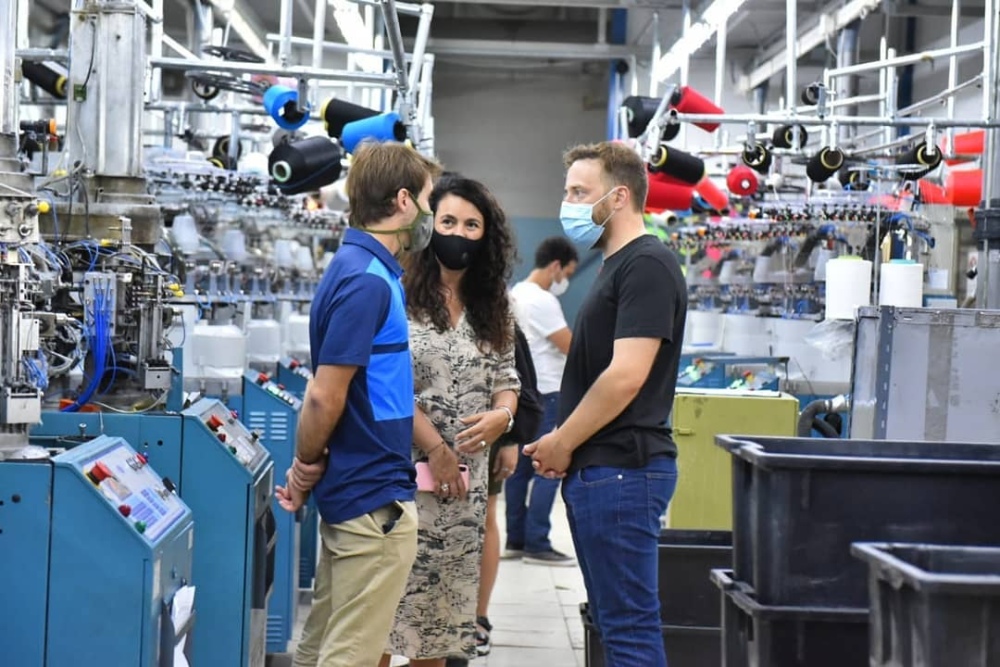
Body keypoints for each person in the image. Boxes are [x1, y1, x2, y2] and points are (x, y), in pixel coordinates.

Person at [274, 141, 441, 667]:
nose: (431, 215)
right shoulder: (367, 281)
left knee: (322, 645)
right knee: (351, 655)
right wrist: (304, 464)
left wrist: (310, 465)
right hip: (373, 501)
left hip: (358, 489)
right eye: (429, 200)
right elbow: (325, 395)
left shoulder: (361, 269)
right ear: (404, 201)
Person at [525, 141, 688, 667]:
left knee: (630, 633)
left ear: (619, 197)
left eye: (580, 192)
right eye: (567, 190)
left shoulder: (647, 265)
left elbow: (625, 378)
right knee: (615, 628)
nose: (568, 202)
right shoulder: (615, 264)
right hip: (604, 471)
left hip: (623, 469)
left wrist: (561, 440)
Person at [380, 176, 520, 667]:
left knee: (438, 628)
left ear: (487, 236)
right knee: (382, 623)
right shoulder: (399, 292)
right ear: (430, 225)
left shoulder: (495, 303)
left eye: (471, 224)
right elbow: (389, 384)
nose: (458, 232)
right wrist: (436, 449)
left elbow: (508, 377)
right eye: (449, 221)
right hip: (400, 481)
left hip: (464, 492)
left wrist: (503, 415)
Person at [505, 236, 579, 565]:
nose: (566, 281)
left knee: (519, 469)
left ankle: (517, 539)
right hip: (548, 391)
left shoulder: (515, 293)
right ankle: (538, 542)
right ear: (555, 267)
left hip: (521, 392)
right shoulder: (543, 301)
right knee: (548, 467)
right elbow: (570, 347)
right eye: (568, 274)